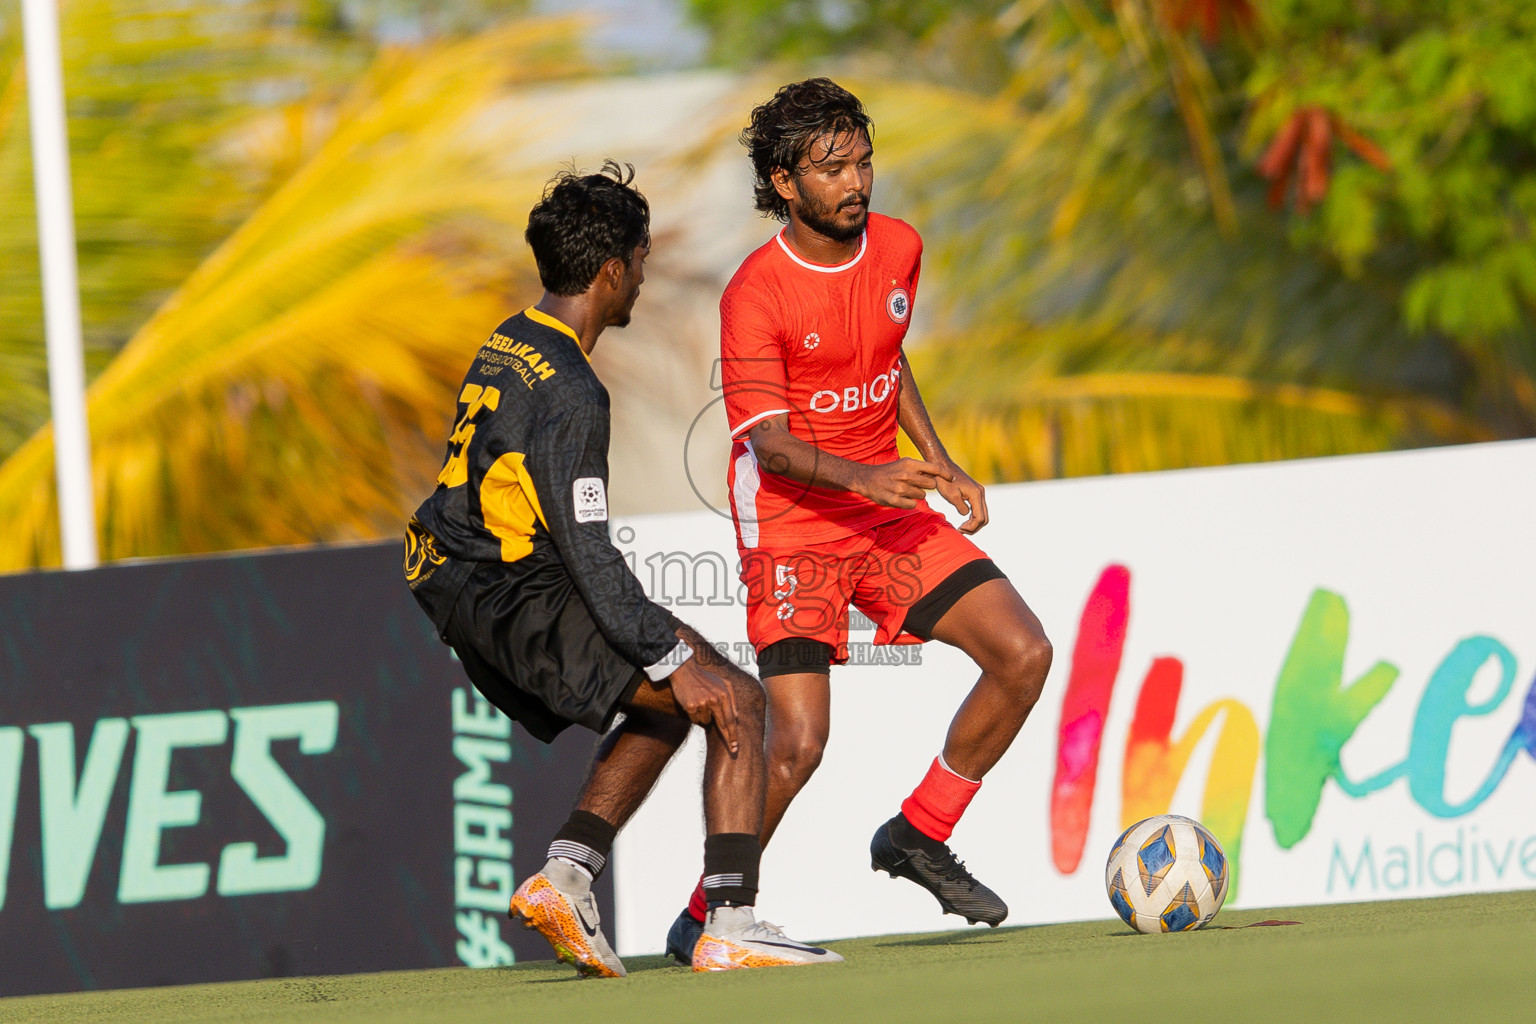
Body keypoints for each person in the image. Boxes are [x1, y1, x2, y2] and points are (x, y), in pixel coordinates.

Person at [404, 162, 840, 975]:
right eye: (639, 259)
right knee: (732, 696)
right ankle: (731, 922)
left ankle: (567, 875)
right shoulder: (573, 389)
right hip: (513, 594)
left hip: (461, 576)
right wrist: (674, 659)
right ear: (611, 271)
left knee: (670, 702)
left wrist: (668, 666)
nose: (641, 275)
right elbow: (589, 549)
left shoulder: (511, 337)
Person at [665, 80, 1054, 961]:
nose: (856, 181)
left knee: (1023, 654)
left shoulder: (900, 247)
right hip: (794, 525)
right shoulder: (754, 295)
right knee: (798, 744)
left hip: (886, 515)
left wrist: (940, 458)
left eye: (863, 159)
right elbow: (769, 445)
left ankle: (918, 832)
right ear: (784, 181)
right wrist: (872, 478)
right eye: (831, 166)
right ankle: (706, 914)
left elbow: (889, 356)